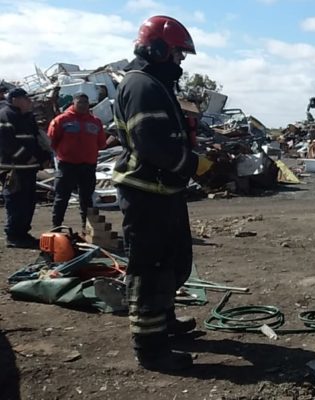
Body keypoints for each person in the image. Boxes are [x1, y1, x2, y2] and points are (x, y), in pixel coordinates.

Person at [113, 15, 214, 371]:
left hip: (163, 191)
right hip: (146, 193)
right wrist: (193, 164)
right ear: (157, 49)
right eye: (178, 55)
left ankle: (165, 322)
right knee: (149, 269)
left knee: (172, 262)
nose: (181, 63)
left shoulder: (155, 83)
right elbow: (152, 145)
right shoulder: (142, 86)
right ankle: (151, 347)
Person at [0, 88, 52, 248]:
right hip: (13, 169)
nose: (30, 102)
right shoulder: (5, 116)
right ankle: (13, 235)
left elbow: (36, 140)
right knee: (16, 202)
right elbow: (7, 144)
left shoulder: (28, 118)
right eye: (26, 99)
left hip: (29, 169)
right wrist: (27, 157)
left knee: (28, 202)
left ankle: (23, 233)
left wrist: (43, 157)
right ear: (15, 99)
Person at [47, 93, 107, 229]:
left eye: (85, 102)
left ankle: (87, 228)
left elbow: (101, 143)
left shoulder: (95, 122)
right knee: (62, 197)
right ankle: (56, 226)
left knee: (86, 198)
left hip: (88, 166)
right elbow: (51, 141)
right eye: (79, 102)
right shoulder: (61, 120)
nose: (83, 105)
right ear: (73, 103)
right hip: (67, 165)